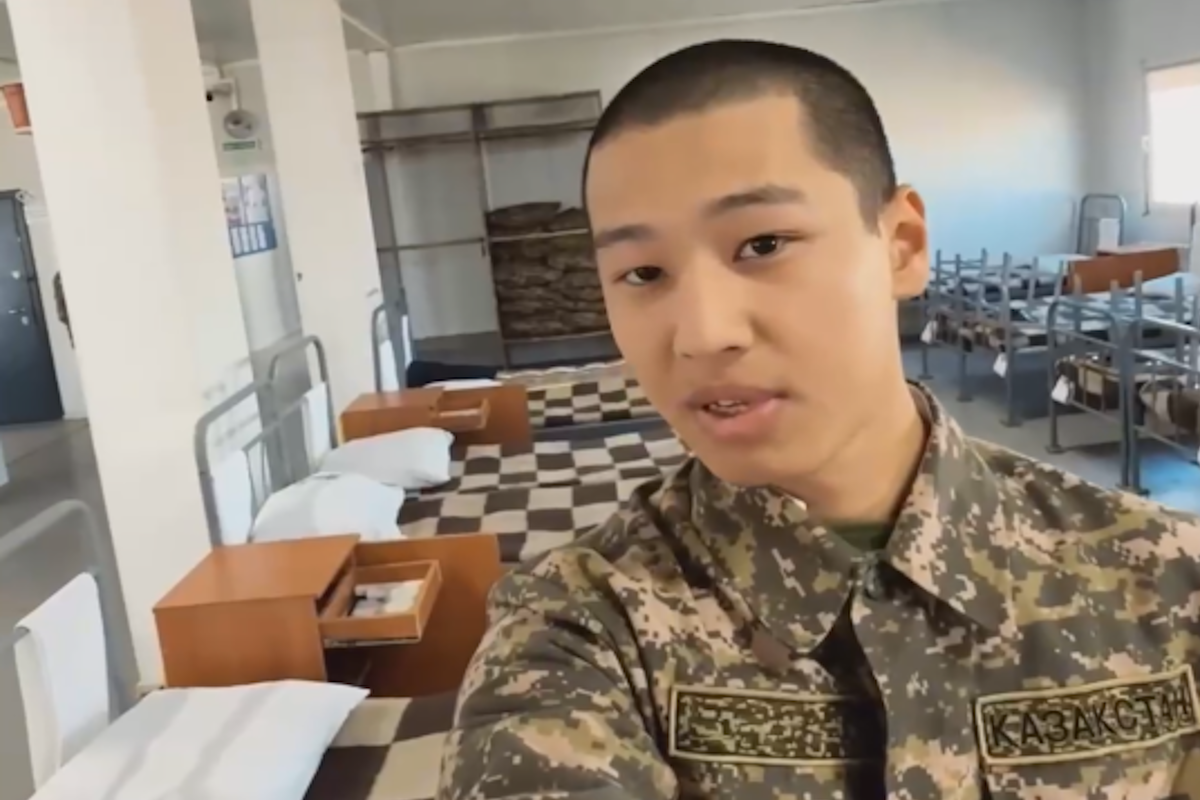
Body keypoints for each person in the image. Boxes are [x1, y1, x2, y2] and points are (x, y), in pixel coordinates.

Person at [437, 39, 1200, 800]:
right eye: (643, 273)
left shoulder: (1168, 583)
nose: (703, 333)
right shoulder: (579, 632)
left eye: (763, 244)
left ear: (901, 245)